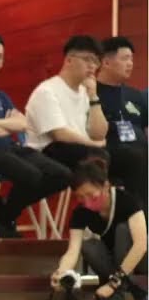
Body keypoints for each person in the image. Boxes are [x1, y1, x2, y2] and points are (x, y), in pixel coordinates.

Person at [0, 35, 71, 239]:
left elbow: (23, 123)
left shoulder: (1, 96)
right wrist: (5, 126)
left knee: (62, 175)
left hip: (10, 148)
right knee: (32, 176)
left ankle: (3, 214)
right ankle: (3, 214)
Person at [23, 36, 146, 205]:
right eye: (88, 60)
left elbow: (98, 133)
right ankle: (102, 211)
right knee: (104, 155)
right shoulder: (47, 91)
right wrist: (94, 144)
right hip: (49, 152)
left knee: (133, 158)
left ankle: (136, 214)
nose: (92, 66)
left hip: (81, 151)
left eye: (95, 61)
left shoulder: (85, 92)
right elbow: (60, 135)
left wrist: (94, 97)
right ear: (69, 60)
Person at [52, 158, 147, 300]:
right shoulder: (81, 212)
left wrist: (114, 283)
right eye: (81, 197)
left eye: (91, 195)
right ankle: (119, 296)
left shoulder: (127, 201)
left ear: (106, 185)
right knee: (88, 245)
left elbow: (141, 245)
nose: (87, 202)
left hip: (140, 259)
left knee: (123, 230)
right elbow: (73, 250)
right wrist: (61, 272)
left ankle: (122, 291)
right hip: (113, 261)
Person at [95, 37, 147, 201]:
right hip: (107, 152)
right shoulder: (91, 93)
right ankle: (140, 212)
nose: (130, 64)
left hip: (139, 151)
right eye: (125, 58)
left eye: (131, 59)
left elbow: (146, 127)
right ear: (106, 62)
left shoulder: (135, 95)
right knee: (136, 157)